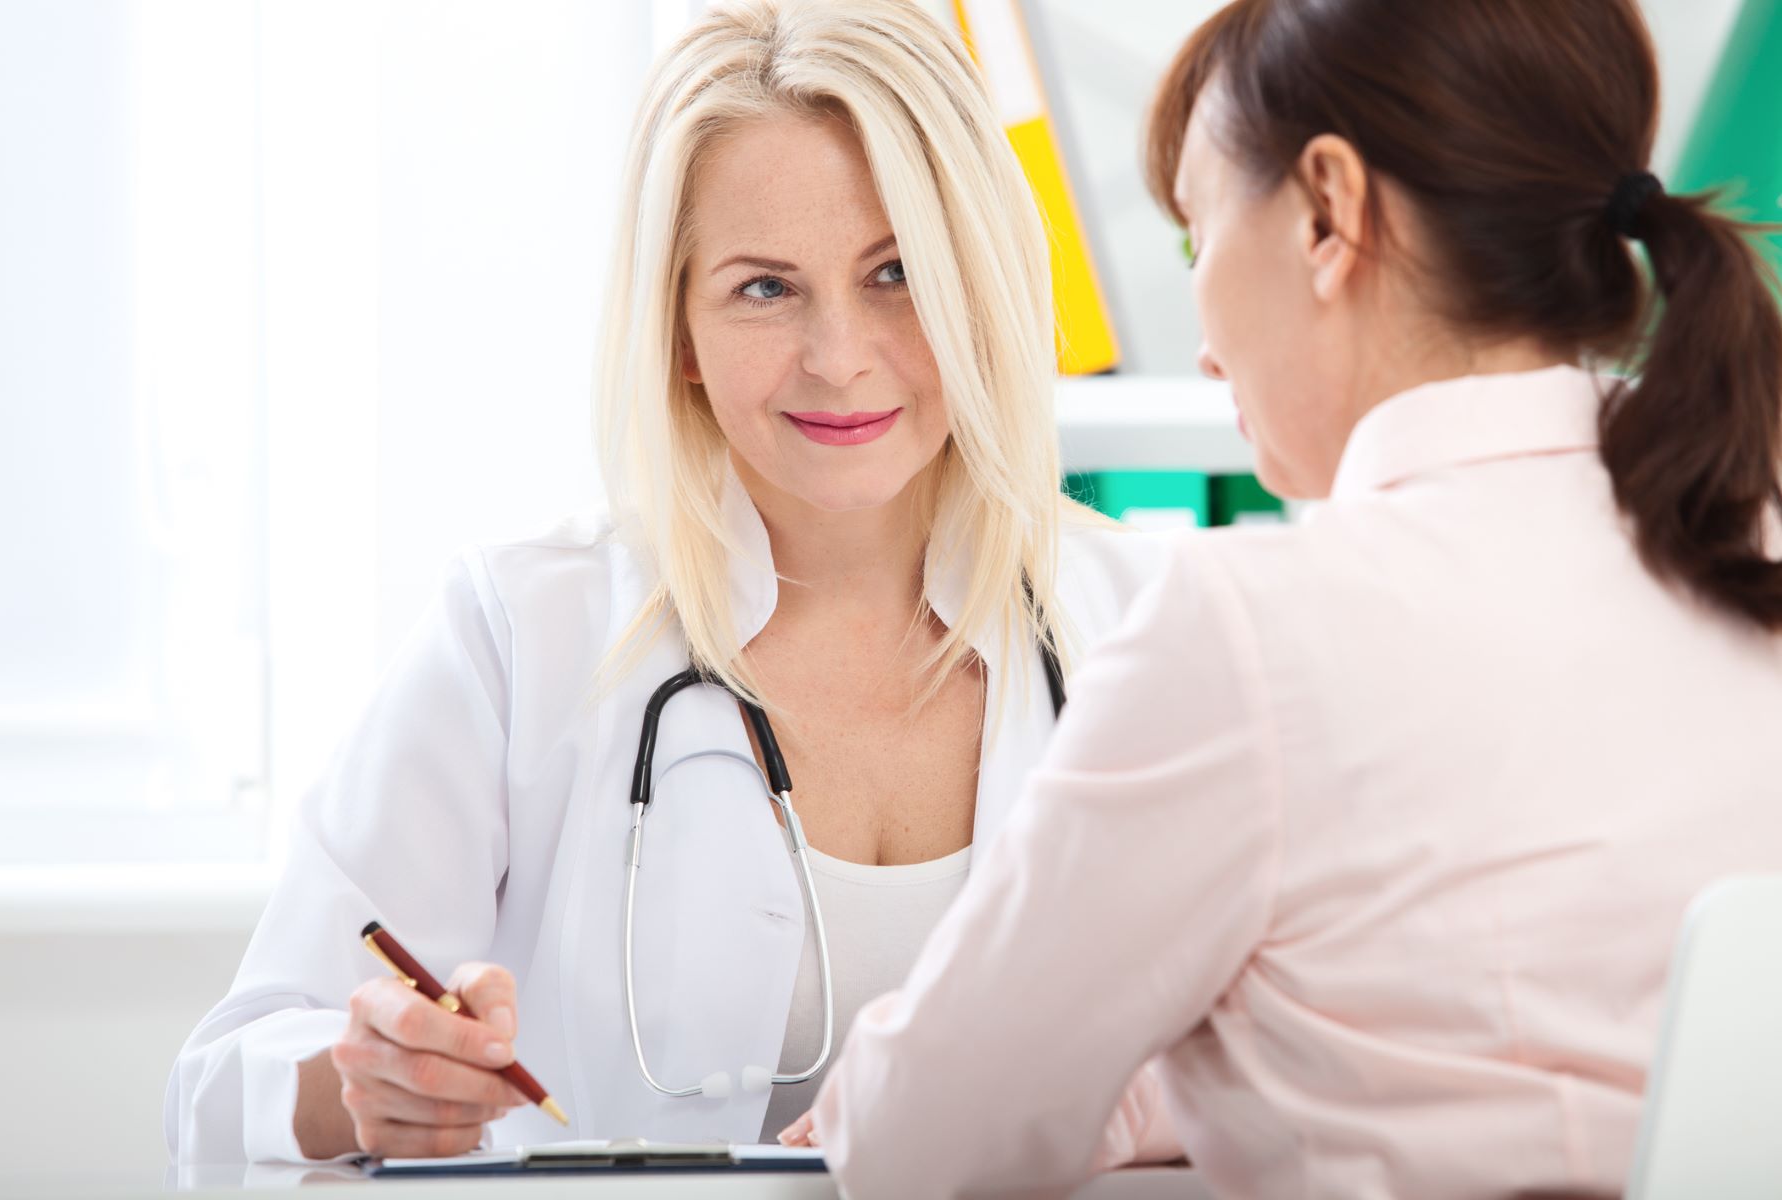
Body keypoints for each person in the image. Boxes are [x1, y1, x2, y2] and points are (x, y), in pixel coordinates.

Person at [165, 0, 1165, 1164]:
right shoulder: (523, 634)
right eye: (763, 287)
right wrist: (364, 1082)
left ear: (982, 284)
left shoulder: (1154, 626)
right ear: (679, 327)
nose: (839, 355)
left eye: (896, 272)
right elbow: (217, 1078)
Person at [810, 0, 1782, 1195]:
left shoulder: (1253, 632)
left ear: (1329, 211)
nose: (1208, 345)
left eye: (1199, 237)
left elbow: (922, 1144)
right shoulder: (1748, 550)